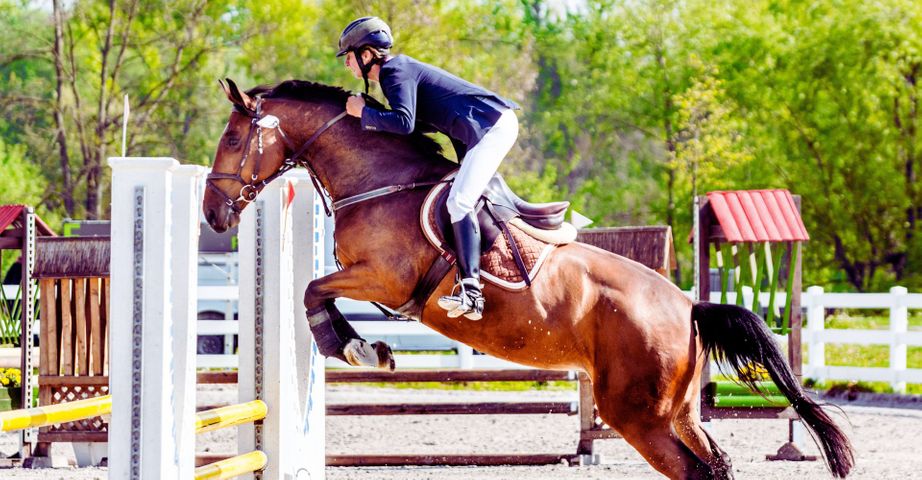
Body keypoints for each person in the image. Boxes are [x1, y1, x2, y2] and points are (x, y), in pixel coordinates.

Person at [337, 16, 520, 321]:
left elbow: (405, 124)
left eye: (349, 57)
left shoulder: (395, 71)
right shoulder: (395, 74)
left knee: (459, 202)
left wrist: (363, 112)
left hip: (492, 126)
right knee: (459, 196)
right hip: (482, 129)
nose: (347, 65)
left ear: (366, 55)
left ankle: (472, 292)